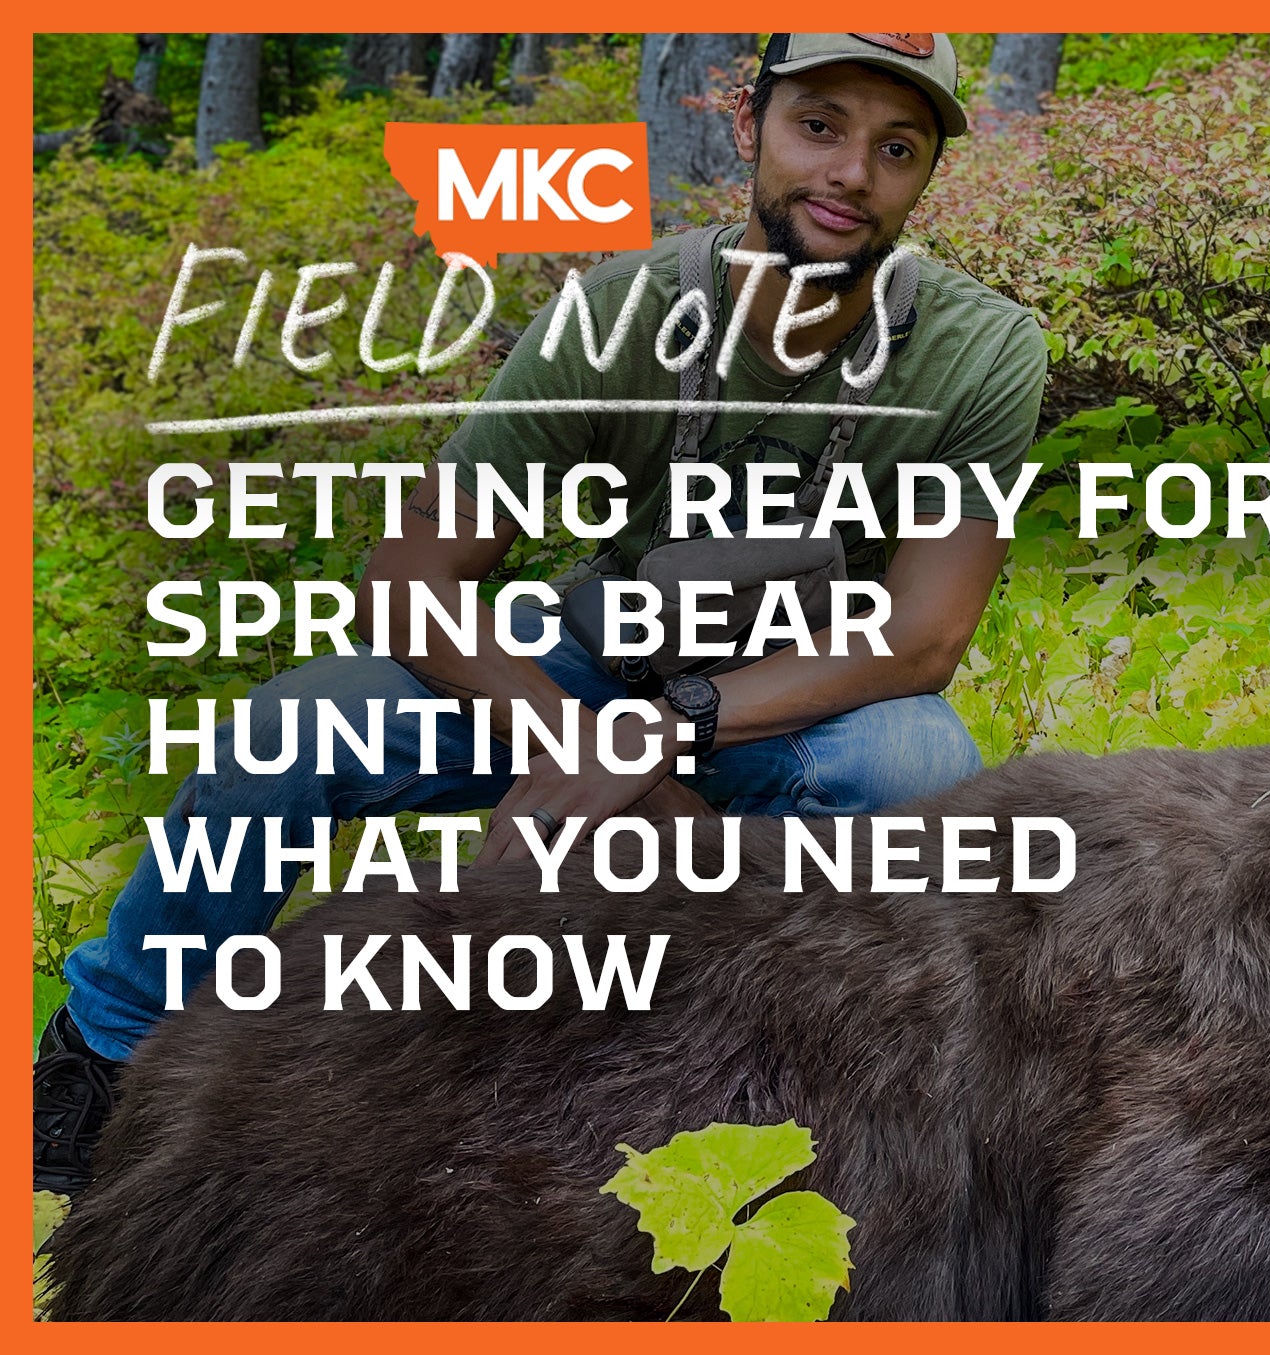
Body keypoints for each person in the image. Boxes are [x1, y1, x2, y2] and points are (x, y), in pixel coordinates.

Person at [35, 32, 1048, 1198]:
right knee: (292, 728)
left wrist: (665, 736)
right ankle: (102, 1057)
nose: (850, 173)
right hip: (592, 665)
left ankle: (817, 1085)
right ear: (745, 126)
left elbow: (921, 638)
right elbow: (410, 573)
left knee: (922, 758)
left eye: (896, 147)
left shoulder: (980, 349)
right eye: (817, 125)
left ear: (923, 175)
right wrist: (581, 741)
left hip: (792, 706)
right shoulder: (617, 310)